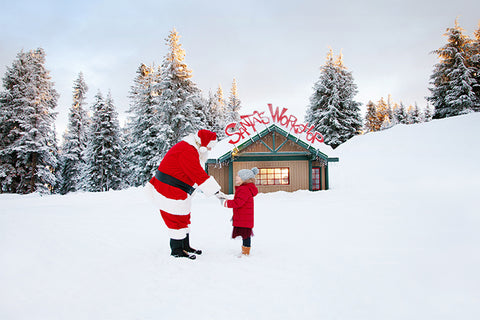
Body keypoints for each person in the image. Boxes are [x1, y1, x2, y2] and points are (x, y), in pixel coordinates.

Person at [145, 129, 226, 259]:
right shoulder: (187, 150)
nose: (210, 150)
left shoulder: (191, 149)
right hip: (169, 189)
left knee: (184, 217)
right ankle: (177, 250)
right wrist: (215, 191)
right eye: (209, 147)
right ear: (203, 144)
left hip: (179, 189)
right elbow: (197, 173)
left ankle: (185, 246)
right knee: (175, 219)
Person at [221, 167, 259, 256]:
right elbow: (239, 200)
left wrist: (226, 203)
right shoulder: (245, 188)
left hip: (244, 217)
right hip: (244, 216)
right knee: (245, 234)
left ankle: (245, 252)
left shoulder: (244, 189)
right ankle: (245, 250)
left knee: (246, 235)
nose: (236, 177)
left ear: (244, 179)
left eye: (239, 176)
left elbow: (238, 202)